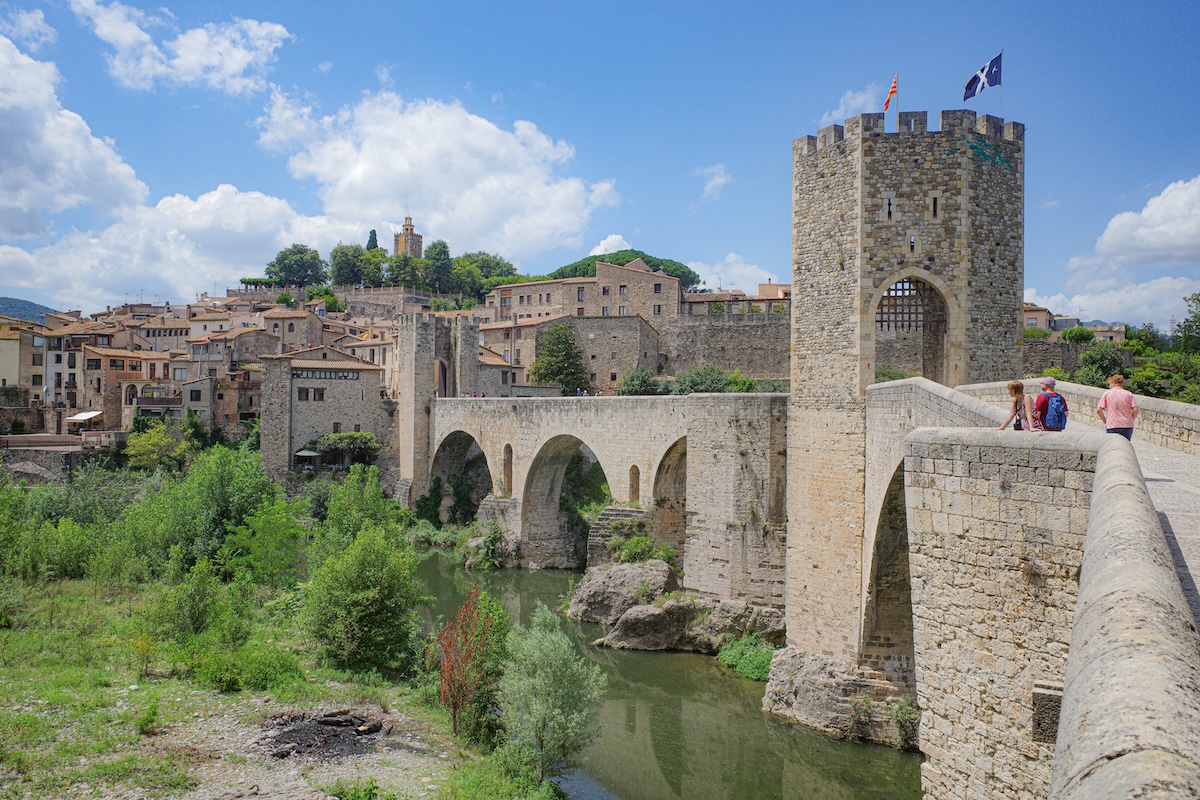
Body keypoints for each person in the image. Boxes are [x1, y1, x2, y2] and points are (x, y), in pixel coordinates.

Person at [1097, 374, 1138, 440]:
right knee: (1125, 445)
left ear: (1113, 383)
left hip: (1113, 424)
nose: (1109, 385)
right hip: (1127, 425)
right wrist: (1131, 419)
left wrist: (1105, 420)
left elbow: (1099, 410)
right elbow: (1135, 410)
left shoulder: (1107, 393)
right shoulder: (1128, 394)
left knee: (1112, 445)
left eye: (1110, 383)